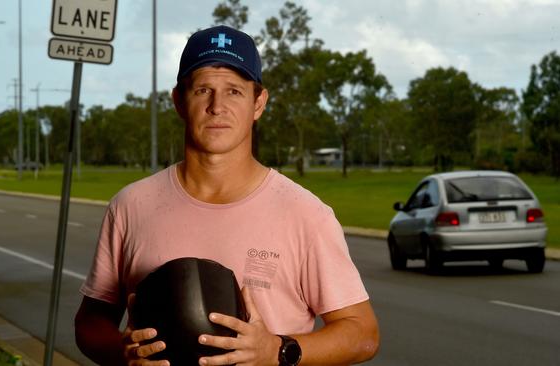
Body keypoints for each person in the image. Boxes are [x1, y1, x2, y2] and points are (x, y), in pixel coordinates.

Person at [75, 25, 379, 365]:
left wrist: (277, 350)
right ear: (178, 100)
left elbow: (362, 333)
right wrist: (122, 352)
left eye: (234, 91)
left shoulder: (306, 214)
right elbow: (90, 321)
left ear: (258, 102)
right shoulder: (130, 205)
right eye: (203, 89)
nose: (217, 106)